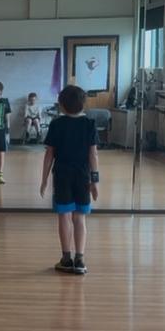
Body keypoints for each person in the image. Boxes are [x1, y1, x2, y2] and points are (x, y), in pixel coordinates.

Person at [40, 86, 100, 276]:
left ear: (62, 104)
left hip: (62, 176)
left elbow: (49, 155)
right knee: (79, 218)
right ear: (83, 104)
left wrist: (44, 180)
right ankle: (80, 259)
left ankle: (66, 259)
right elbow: (93, 155)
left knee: (64, 216)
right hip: (82, 176)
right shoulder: (89, 124)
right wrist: (95, 181)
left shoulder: (56, 124)